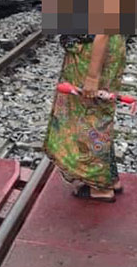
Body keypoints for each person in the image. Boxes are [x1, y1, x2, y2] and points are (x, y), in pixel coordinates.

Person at [45, 33, 126, 201]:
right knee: (97, 112)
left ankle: (98, 185)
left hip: (93, 50)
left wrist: (92, 76)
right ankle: (109, 179)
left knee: (89, 116)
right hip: (100, 47)